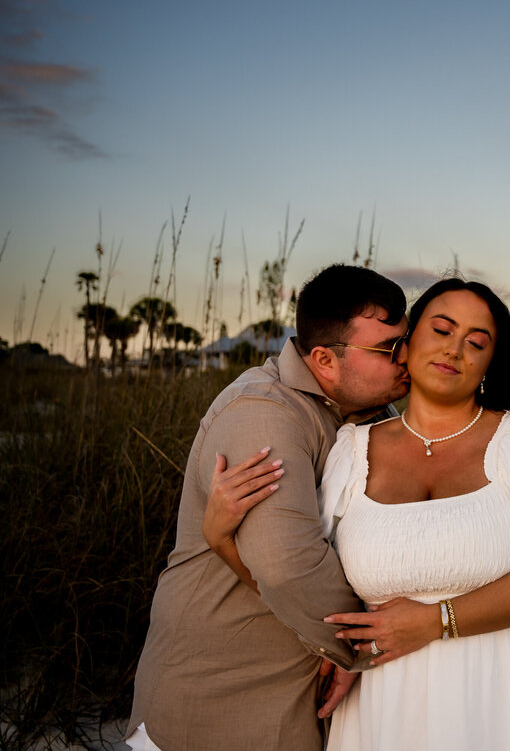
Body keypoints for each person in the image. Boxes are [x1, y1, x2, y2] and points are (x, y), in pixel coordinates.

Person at [205, 277, 510, 750]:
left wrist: (436, 621)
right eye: (441, 330)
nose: (455, 349)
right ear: (407, 343)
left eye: (476, 342)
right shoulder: (352, 450)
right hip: (387, 701)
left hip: (504, 692)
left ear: (488, 362)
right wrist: (222, 541)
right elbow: (301, 577)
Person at [127, 264, 412, 751]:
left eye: (404, 341)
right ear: (324, 359)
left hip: (302, 685)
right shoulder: (263, 413)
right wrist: (368, 644)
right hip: (224, 688)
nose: (406, 356)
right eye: (388, 349)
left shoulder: (371, 413)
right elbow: (288, 566)